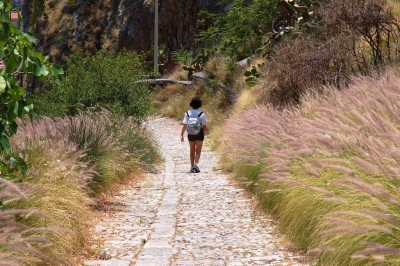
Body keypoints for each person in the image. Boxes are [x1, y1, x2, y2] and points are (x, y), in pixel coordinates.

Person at [180, 97, 207, 173]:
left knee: (192, 150)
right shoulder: (202, 114)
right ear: (199, 105)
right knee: (198, 150)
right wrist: (204, 132)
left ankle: (192, 167)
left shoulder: (187, 113)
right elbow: (204, 126)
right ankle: (195, 164)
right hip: (199, 133)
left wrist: (182, 135)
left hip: (190, 133)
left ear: (191, 104)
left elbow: (184, 125)